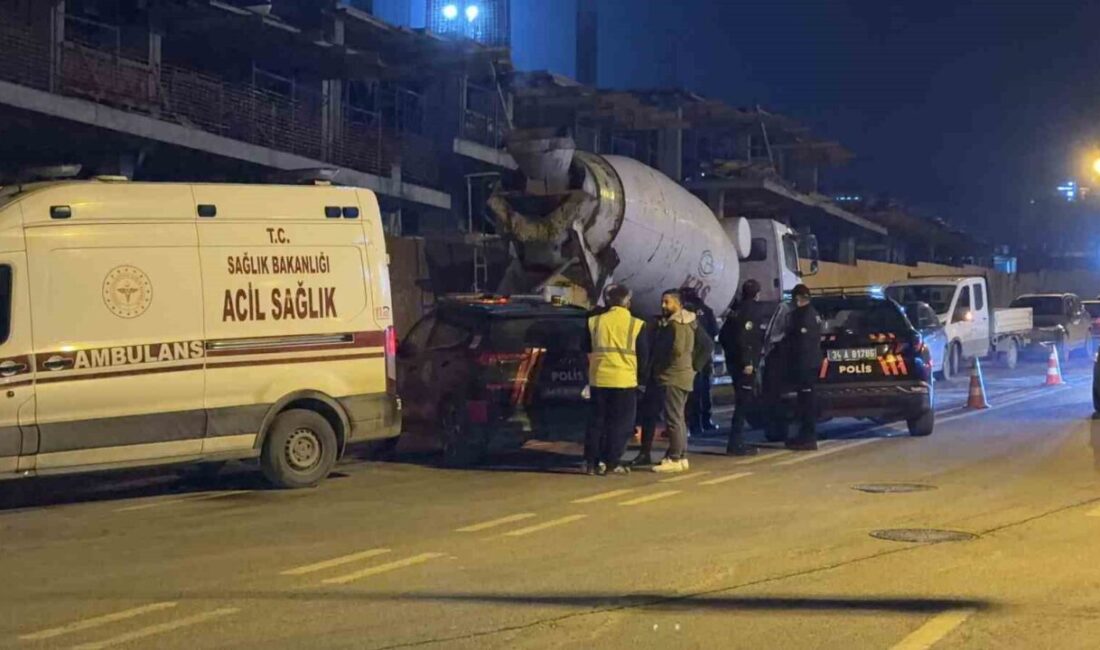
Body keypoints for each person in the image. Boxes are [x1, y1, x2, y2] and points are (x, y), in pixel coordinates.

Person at [633, 289, 713, 474]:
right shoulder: (691, 321)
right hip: (684, 375)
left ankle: (675, 457)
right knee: (679, 417)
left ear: (678, 303)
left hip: (672, 376)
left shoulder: (673, 325)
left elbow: (672, 350)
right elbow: (707, 344)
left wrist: (661, 368)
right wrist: (694, 367)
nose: (663, 306)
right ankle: (681, 455)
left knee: (673, 419)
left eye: (667, 302)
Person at [583, 284, 649, 475]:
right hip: (624, 380)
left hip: (599, 379)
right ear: (627, 302)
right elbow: (643, 357)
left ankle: (590, 463)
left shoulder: (594, 322)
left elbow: (585, 349)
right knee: (620, 425)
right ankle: (611, 462)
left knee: (596, 422)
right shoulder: (636, 324)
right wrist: (642, 381)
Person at [719, 279, 772, 456]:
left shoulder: (737, 310)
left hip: (735, 363)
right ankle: (736, 443)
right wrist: (748, 361)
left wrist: (731, 356)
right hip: (745, 366)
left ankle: (737, 441)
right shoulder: (753, 311)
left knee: (741, 403)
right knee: (742, 404)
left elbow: (725, 336)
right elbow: (747, 337)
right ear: (757, 293)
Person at [781, 284, 823, 451]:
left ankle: (807, 437)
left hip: (803, 364)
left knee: (806, 402)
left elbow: (799, 343)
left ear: (798, 298)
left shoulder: (801, 316)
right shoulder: (814, 313)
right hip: (812, 363)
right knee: (807, 400)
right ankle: (805, 436)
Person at [682, 287, 720, 436]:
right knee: (705, 390)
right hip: (705, 357)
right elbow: (715, 332)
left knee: (692, 393)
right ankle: (706, 421)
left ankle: (694, 424)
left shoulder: (685, 313)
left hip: (690, 358)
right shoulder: (707, 310)